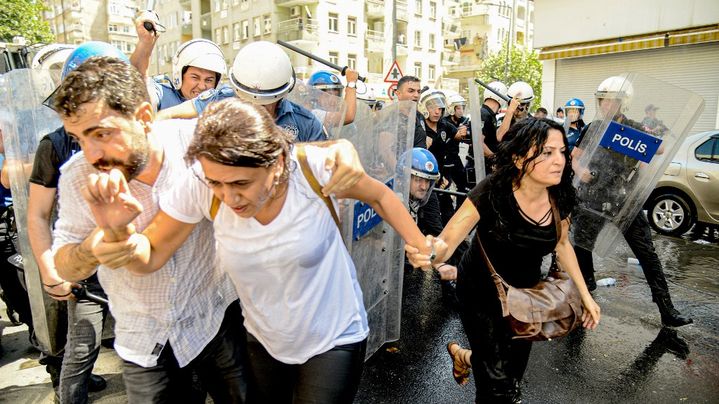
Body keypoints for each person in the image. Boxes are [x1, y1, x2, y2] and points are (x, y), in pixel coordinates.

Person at [51, 56, 371, 402]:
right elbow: (66, 262)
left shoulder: (195, 143)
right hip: (144, 341)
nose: (91, 153)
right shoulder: (76, 177)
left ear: (144, 117)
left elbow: (268, 157)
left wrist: (337, 149)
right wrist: (93, 249)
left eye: (102, 133)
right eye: (78, 137)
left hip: (215, 320)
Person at [80, 96, 432, 403]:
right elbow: (150, 256)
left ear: (277, 163)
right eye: (216, 183)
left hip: (334, 336)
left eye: (241, 184)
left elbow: (381, 196)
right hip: (264, 340)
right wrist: (118, 234)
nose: (229, 197)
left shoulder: (313, 171)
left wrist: (419, 245)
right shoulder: (201, 186)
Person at [407, 118, 601, 402]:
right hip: (480, 295)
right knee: (498, 389)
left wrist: (586, 296)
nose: (558, 160)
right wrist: (429, 252)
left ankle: (466, 357)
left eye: (562, 151)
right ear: (520, 159)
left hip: (525, 298)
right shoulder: (493, 190)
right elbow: (447, 241)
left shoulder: (560, 197)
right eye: (546, 152)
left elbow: (561, 244)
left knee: (512, 373)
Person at [29, 42, 130, 403]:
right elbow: (38, 214)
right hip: (87, 267)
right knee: (82, 347)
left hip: (136, 264)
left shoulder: (138, 131)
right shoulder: (54, 145)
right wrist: (49, 270)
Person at [571, 76, 692, 328]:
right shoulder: (593, 127)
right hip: (592, 198)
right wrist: (580, 170)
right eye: (602, 101)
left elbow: (658, 149)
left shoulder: (634, 127)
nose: (606, 106)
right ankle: (585, 293)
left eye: (611, 101)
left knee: (647, 253)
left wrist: (655, 131)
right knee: (581, 247)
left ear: (622, 103)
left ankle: (666, 309)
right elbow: (576, 157)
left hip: (623, 200)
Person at [156, 41, 325, 143]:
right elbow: (166, 115)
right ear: (237, 90)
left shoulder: (306, 124)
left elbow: (323, 172)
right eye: (248, 100)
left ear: (282, 93)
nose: (258, 109)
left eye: (266, 103)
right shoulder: (222, 98)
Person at [131, 11, 226, 111]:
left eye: (209, 80)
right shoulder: (162, 96)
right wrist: (145, 43)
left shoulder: (220, 105)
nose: (202, 86)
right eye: (195, 77)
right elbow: (136, 85)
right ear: (179, 76)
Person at [421, 89, 466, 223]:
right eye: (432, 107)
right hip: (424, 178)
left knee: (447, 212)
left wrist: (464, 132)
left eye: (440, 108)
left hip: (441, 177)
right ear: (424, 108)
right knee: (428, 215)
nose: (437, 112)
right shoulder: (419, 127)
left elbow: (457, 135)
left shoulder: (444, 125)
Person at [478, 81, 508, 177]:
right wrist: (495, 158)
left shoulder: (490, 114)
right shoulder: (484, 114)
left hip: (484, 165)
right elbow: (479, 143)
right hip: (481, 167)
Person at [395, 75, 428, 148]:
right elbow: (386, 153)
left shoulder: (420, 116)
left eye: (419, 91)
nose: (416, 95)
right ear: (398, 94)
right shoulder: (391, 117)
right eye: (411, 91)